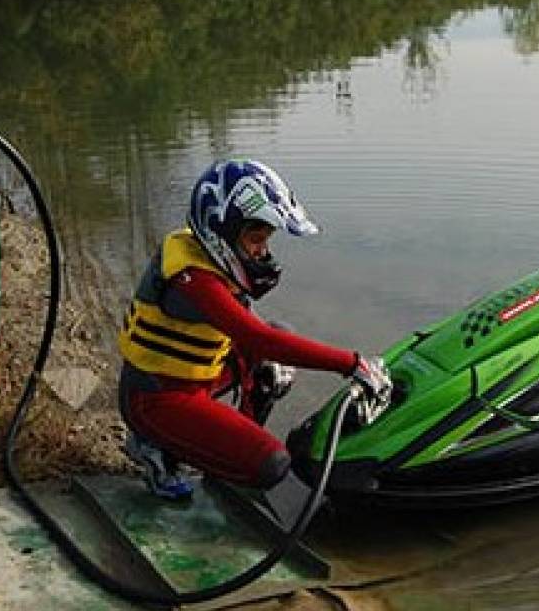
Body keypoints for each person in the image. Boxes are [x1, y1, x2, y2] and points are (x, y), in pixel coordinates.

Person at [118, 159, 391, 500]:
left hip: (196, 380)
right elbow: (256, 338)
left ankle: (228, 455)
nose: (263, 251)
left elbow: (264, 339)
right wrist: (351, 363)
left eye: (266, 240)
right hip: (154, 397)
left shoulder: (206, 256)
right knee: (272, 465)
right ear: (222, 231)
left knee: (274, 366)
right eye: (255, 238)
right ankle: (157, 450)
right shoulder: (194, 278)